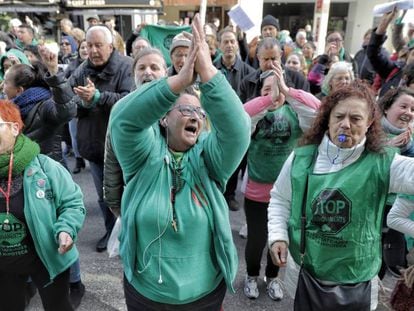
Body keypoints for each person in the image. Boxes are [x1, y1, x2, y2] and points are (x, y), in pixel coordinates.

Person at [109, 14, 250, 310]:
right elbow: (123, 120)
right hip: (146, 294)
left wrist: (208, 73)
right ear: (163, 117)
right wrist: (177, 83)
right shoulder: (144, 153)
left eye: (200, 114)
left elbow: (238, 130)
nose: (194, 117)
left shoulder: (209, 158)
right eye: (185, 110)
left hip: (204, 295)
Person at [268, 80, 414, 310]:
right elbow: (280, 198)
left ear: (369, 123)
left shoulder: (384, 163)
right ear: (328, 119)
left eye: (355, 118)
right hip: (308, 276)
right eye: (339, 117)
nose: (345, 125)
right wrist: (278, 235)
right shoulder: (302, 157)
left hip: (358, 283)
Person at [40, 25, 134, 253]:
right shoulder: (83, 70)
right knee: (104, 195)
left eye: (98, 45)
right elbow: (67, 102)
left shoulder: (126, 67)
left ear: (110, 47)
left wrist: (99, 97)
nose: (92, 50)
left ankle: (132, 235)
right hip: (94, 145)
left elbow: (130, 102)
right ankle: (111, 231)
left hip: (123, 146)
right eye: (89, 45)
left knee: (130, 192)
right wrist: (59, 78)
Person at [242, 64, 319, 301]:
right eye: (267, 90)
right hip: (256, 193)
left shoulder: (294, 115)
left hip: (287, 194)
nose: (273, 96)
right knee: (256, 241)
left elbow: (317, 112)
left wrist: (289, 92)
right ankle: (251, 276)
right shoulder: (254, 117)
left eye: (277, 91)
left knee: (279, 240)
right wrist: (267, 101)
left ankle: (273, 278)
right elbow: (241, 116)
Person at [0, 99, 85, 311]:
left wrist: (66, 228)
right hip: (4, 267)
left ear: (14, 128)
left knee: (58, 306)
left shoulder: (45, 167)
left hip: (47, 257)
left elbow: (72, 202)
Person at [104, 47, 168, 217]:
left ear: (165, 72)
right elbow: (112, 157)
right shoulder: (122, 108)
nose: (147, 72)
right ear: (133, 74)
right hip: (137, 196)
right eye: (141, 68)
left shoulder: (178, 104)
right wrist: (114, 203)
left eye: (154, 68)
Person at [213, 27, 255, 211]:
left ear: (237, 45)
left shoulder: (249, 71)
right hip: (215, 125)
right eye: (225, 42)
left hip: (240, 125)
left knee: (237, 162)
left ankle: (229, 195)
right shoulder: (211, 69)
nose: (229, 45)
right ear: (219, 45)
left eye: (232, 41)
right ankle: (215, 194)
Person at [367, 9, 414, 98]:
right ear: (407, 55)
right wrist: (382, 26)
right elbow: (373, 53)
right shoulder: (394, 70)